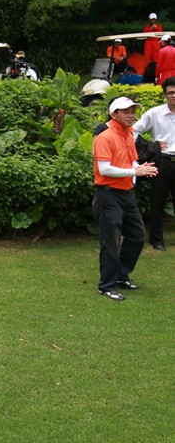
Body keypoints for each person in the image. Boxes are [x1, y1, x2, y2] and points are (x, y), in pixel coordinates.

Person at [92, 97, 158, 301]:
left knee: (137, 236)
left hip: (127, 195)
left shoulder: (129, 134)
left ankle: (121, 275)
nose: (131, 115)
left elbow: (131, 161)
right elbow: (105, 169)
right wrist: (134, 171)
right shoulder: (105, 137)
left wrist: (141, 169)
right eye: (126, 111)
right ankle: (106, 286)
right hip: (108, 195)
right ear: (114, 115)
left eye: (133, 111)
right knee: (111, 243)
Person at [132, 77, 175, 251]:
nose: (173, 95)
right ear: (164, 95)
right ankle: (156, 240)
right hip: (162, 161)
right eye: (170, 92)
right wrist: (151, 146)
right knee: (157, 201)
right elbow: (133, 131)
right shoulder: (155, 113)